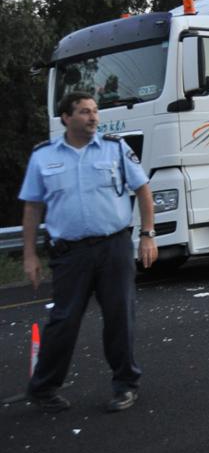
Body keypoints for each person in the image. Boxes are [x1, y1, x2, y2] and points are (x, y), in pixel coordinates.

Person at [19, 92, 157, 414]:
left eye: (95, 111)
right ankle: (43, 389)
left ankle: (125, 385)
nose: (93, 117)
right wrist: (29, 255)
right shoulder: (43, 156)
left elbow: (143, 190)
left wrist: (148, 235)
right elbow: (32, 207)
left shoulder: (115, 148)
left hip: (114, 247)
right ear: (66, 118)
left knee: (120, 318)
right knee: (63, 320)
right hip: (70, 254)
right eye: (84, 112)